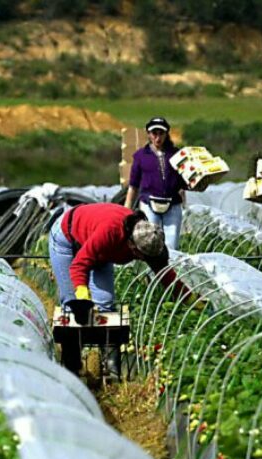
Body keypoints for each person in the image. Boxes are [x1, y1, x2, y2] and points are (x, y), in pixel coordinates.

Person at [49, 202, 182, 376]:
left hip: (101, 249)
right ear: (133, 247)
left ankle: (110, 367)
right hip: (67, 236)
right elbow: (79, 265)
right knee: (72, 305)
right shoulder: (111, 232)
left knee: (105, 303)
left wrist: (189, 298)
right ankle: (72, 367)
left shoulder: (147, 236)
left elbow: (165, 273)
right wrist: (83, 297)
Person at [124, 116, 186, 250]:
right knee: (150, 242)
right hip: (149, 203)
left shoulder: (176, 155)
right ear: (149, 134)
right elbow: (133, 186)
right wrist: (126, 211)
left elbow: (184, 183)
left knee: (172, 244)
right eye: (154, 133)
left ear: (166, 134)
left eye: (161, 133)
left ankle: (169, 270)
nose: (158, 138)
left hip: (173, 203)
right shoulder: (140, 156)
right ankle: (152, 271)